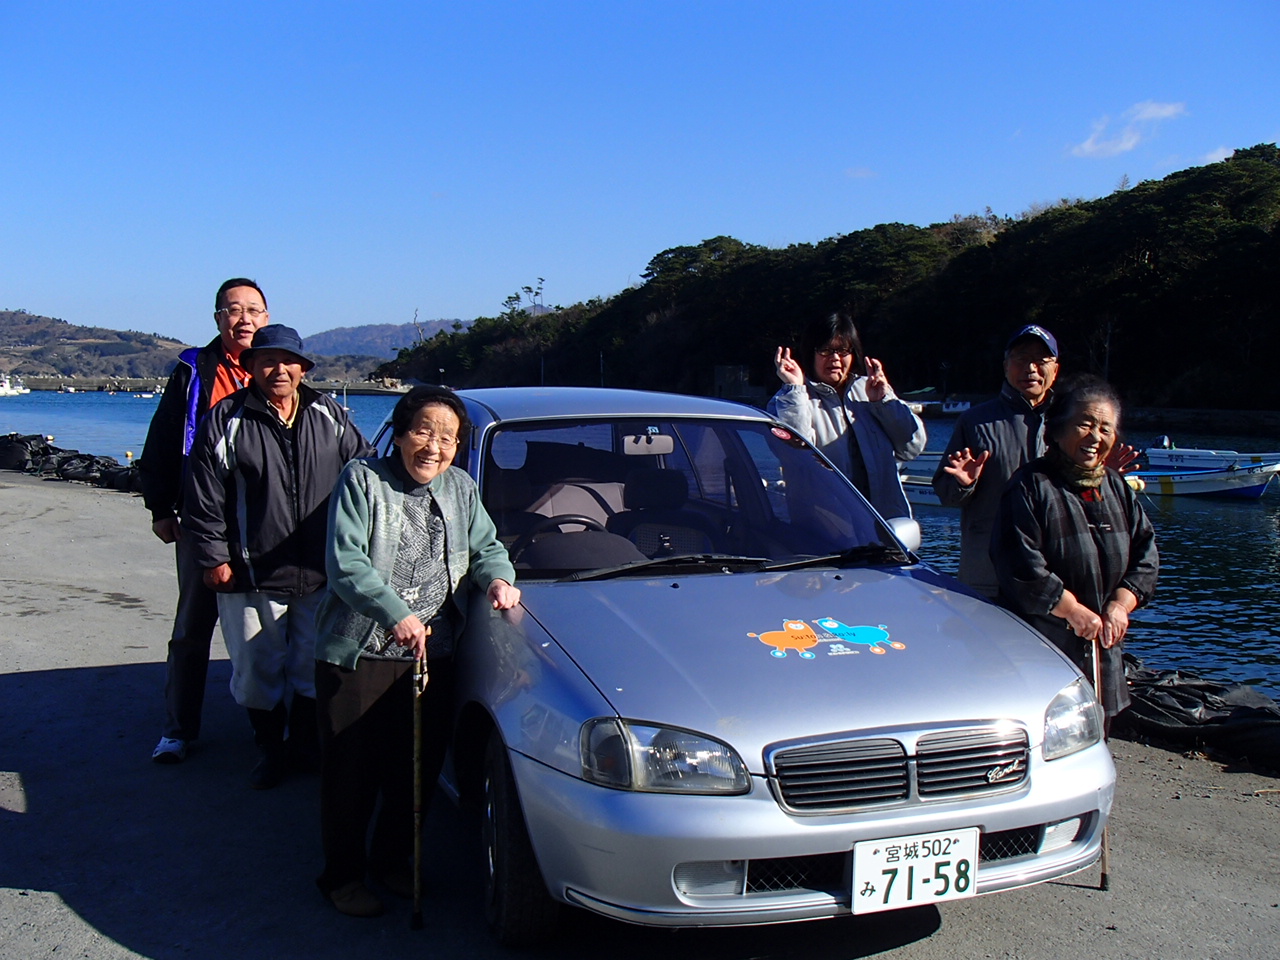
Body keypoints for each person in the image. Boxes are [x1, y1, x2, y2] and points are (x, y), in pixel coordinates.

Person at [313, 385, 520, 918]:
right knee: (351, 775)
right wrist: (395, 612)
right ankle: (342, 877)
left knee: (415, 773)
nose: (434, 446)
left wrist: (497, 580)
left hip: (432, 657)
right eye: (424, 431)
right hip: (362, 656)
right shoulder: (363, 480)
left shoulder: (461, 488)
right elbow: (346, 563)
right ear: (401, 433)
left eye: (448, 437)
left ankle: (392, 862)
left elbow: (486, 547)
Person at [182, 325, 373, 789]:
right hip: (251, 572)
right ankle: (269, 749)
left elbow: (365, 471)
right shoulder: (225, 419)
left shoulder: (329, 413)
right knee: (255, 671)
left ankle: (304, 749)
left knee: (312, 667)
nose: (279, 369)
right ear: (250, 367)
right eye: (267, 361)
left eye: (289, 361)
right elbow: (203, 499)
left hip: (321, 572)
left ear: (304, 368)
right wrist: (213, 558)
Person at [141, 278, 270, 764]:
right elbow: (164, 434)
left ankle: (270, 731)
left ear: (266, 315)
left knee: (267, 630)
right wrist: (159, 506)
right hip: (200, 515)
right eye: (233, 310)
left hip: (263, 521)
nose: (244, 319)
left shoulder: (277, 367)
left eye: (253, 310)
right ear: (217, 318)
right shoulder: (192, 370)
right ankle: (177, 729)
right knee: (193, 627)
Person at [992, 375, 1158, 723]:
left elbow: (1146, 554)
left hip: (1104, 652)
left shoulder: (1116, 487)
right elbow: (1021, 566)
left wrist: (1120, 605)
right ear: (1056, 428)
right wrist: (1071, 610)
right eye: (1085, 424)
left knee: (1098, 743)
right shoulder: (1029, 486)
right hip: (1044, 649)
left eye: (1106, 428)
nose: (1096, 437)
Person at [931, 324, 1061, 597]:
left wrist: (1106, 479)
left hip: (1058, 579)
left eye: (1040, 360)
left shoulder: (1070, 422)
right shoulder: (974, 422)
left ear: (1055, 369)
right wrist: (963, 484)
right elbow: (946, 495)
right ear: (1005, 367)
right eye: (1021, 359)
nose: (1031, 368)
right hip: (988, 577)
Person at [768, 310, 926, 520]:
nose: (835, 358)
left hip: (886, 525)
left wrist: (884, 402)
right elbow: (794, 453)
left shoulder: (870, 389)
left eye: (843, 351)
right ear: (810, 353)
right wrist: (795, 389)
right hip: (827, 529)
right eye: (825, 350)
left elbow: (912, 447)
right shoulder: (789, 399)